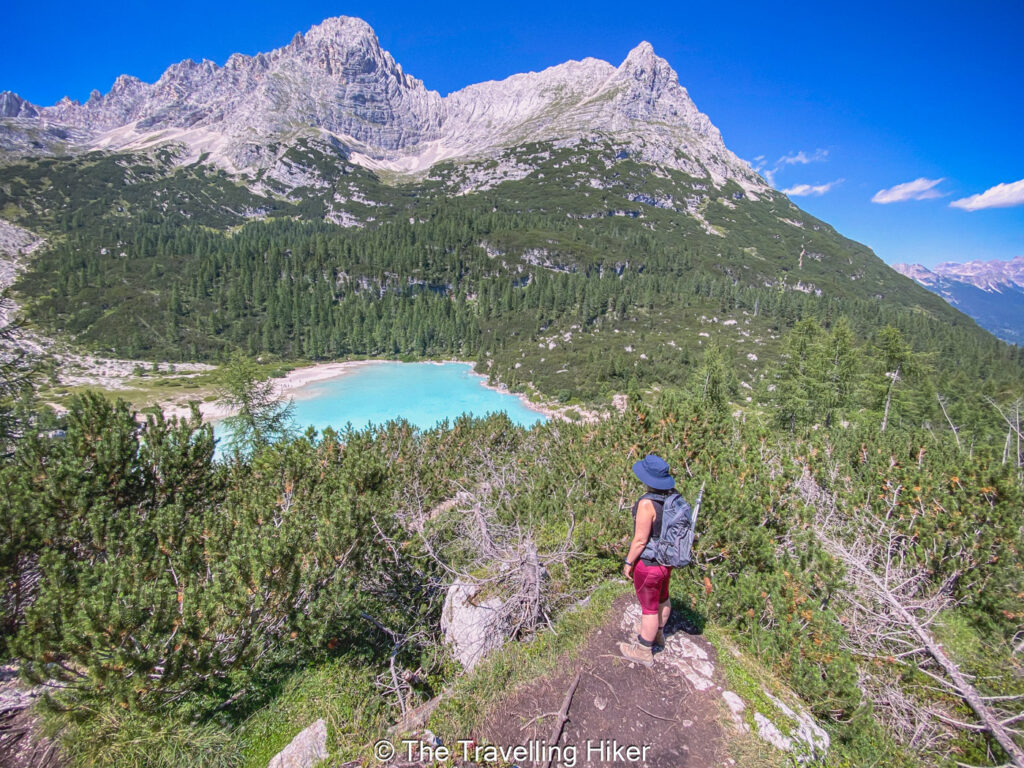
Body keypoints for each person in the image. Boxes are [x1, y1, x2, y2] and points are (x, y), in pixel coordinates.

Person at [618, 453, 677, 667]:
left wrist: (628, 562)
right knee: (663, 598)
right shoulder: (672, 498)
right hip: (667, 560)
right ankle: (658, 635)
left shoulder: (647, 504)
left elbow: (640, 540)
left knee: (649, 607)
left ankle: (643, 649)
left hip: (650, 563)